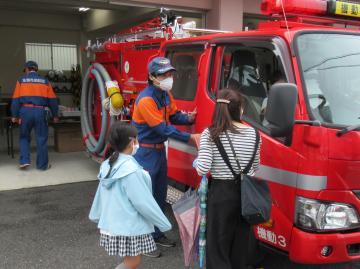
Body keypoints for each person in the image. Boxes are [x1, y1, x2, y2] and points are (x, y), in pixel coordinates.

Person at [132, 56, 199, 258]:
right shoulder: (145, 100)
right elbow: (162, 129)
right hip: (146, 153)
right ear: (152, 77)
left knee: (159, 195)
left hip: (159, 151)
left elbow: (174, 115)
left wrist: (188, 118)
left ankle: (156, 233)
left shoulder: (165, 95)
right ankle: (142, 242)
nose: (169, 77)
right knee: (145, 199)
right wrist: (190, 137)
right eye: (164, 74)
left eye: (170, 74)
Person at [89, 122, 172, 269]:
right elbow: (143, 203)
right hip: (129, 226)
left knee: (129, 262)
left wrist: (96, 215)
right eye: (137, 139)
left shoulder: (108, 164)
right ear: (132, 141)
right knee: (132, 262)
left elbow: (100, 195)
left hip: (113, 224)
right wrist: (163, 223)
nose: (138, 143)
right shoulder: (132, 170)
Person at [195, 88, 261, 269]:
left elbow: (203, 168)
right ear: (240, 109)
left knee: (218, 247)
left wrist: (199, 152)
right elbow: (255, 168)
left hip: (221, 195)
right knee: (240, 245)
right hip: (246, 196)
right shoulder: (254, 134)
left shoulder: (211, 133)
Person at [11, 60, 59, 170]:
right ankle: (42, 166)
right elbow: (52, 100)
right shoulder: (45, 81)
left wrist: (14, 115)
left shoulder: (21, 80)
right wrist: (55, 115)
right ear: (36, 69)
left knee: (24, 137)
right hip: (40, 111)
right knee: (41, 138)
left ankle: (24, 161)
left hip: (25, 111)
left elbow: (16, 99)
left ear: (27, 69)